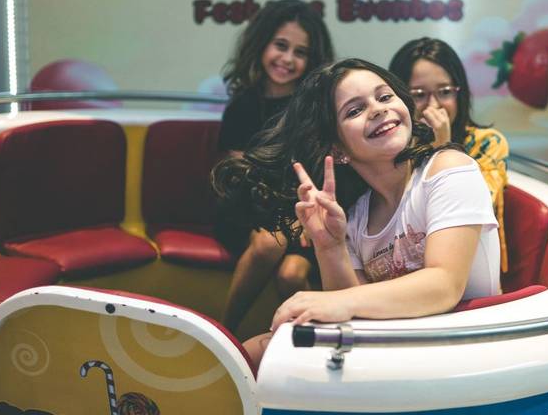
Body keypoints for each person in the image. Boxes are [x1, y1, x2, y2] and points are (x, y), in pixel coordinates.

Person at [212, 58, 501, 366]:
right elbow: (356, 318)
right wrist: (329, 245)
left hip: (467, 348)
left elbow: (444, 285)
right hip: (404, 347)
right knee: (253, 353)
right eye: (354, 110)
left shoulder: (448, 168)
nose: (377, 109)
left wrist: (336, 301)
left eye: (385, 96)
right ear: (337, 150)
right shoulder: (356, 212)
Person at [215, 0, 335, 330]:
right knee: (270, 242)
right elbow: (238, 182)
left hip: (305, 216)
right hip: (249, 211)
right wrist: (287, 219)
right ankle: (225, 331)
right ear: (261, 43)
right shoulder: (242, 106)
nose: (288, 59)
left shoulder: (315, 111)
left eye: (300, 52)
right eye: (281, 45)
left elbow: (321, 175)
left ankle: (315, 345)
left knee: (291, 275)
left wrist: (304, 220)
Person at [389, 37, 510, 271]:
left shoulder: (487, 142)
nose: (433, 106)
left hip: (471, 267)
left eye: (445, 92)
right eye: (419, 95)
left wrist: (444, 149)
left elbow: (475, 208)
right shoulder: (393, 148)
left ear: (459, 93)